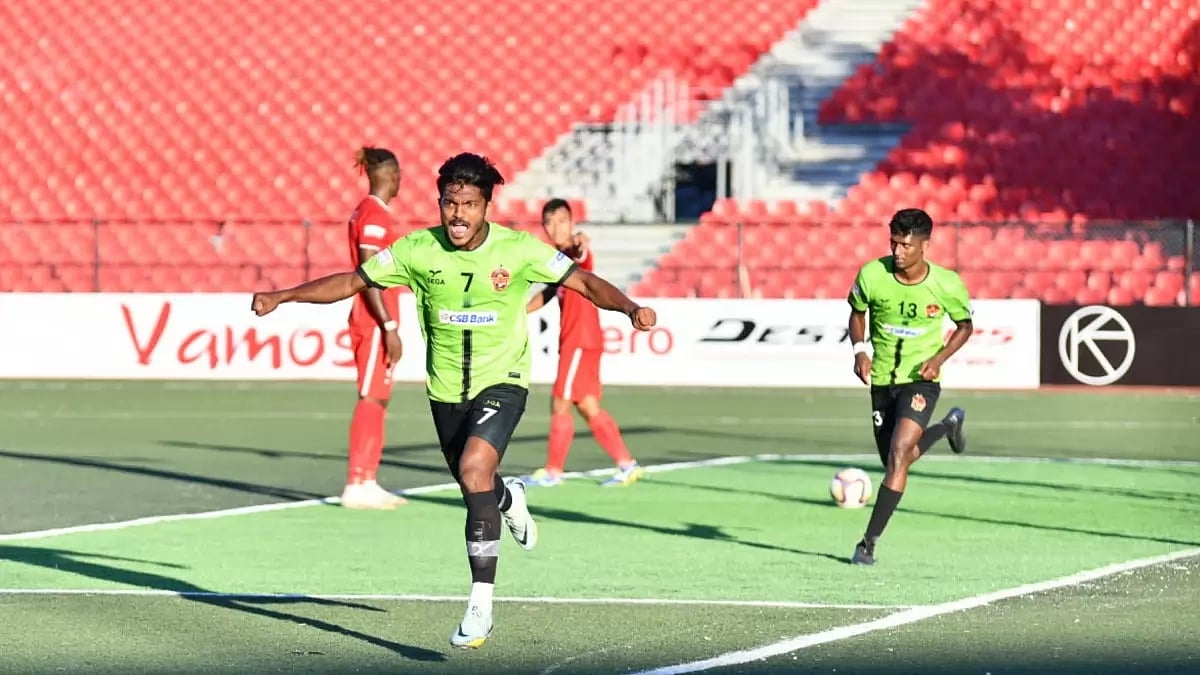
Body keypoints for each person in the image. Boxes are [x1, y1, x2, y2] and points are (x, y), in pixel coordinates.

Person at [250, 152, 657, 649]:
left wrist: (630, 307)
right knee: (477, 483)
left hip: (503, 381)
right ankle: (510, 497)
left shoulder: (520, 249)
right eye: (450, 203)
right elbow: (353, 281)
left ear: (487, 204)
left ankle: (480, 605)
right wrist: (283, 296)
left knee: (472, 470)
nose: (459, 214)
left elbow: (584, 281)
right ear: (439, 203)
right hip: (445, 391)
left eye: (469, 203)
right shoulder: (418, 249)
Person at [846, 207, 972, 566]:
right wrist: (859, 350)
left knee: (901, 453)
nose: (897, 251)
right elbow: (857, 311)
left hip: (921, 379)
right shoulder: (872, 274)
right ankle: (948, 427)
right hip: (882, 380)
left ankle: (868, 542)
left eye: (905, 245)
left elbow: (964, 325)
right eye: (893, 243)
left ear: (924, 245)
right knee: (895, 459)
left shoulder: (946, 283)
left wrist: (939, 359)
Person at [522, 198, 643, 488]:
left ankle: (553, 471)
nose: (555, 228)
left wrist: (578, 244)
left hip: (579, 339)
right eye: (549, 222)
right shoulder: (555, 258)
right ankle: (627, 465)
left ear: (572, 223)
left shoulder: (573, 253)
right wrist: (519, 312)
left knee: (560, 402)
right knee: (588, 406)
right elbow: (549, 293)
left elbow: (582, 252)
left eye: (561, 221)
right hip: (581, 340)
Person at [342, 146, 406, 510]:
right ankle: (355, 481)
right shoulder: (372, 215)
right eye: (397, 173)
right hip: (373, 319)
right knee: (370, 396)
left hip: (379, 318)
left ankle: (368, 478)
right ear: (386, 174)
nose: (400, 180)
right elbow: (368, 276)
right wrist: (388, 325)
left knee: (379, 396)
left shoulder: (374, 213)